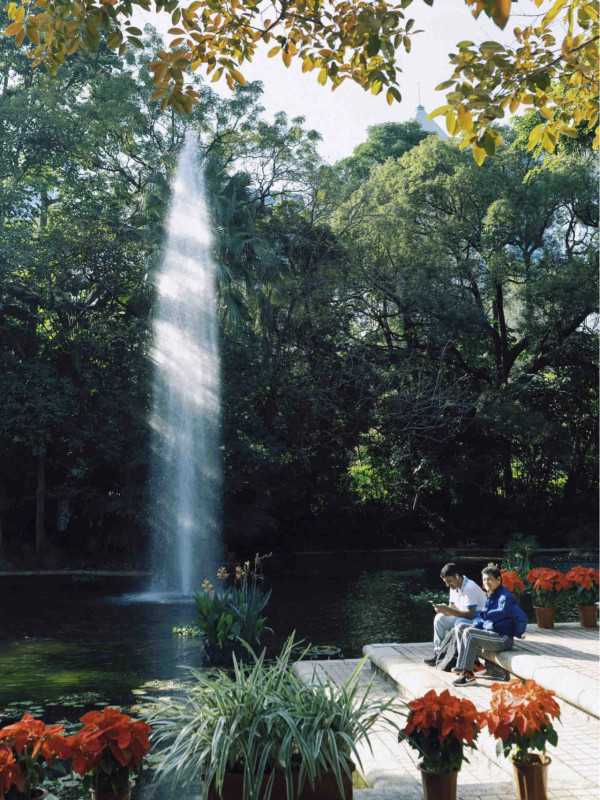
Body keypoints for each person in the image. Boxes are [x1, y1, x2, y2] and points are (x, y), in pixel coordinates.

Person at [452, 565, 520, 686]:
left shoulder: (504, 597)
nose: (486, 582)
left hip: (503, 638)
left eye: (489, 579)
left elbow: (516, 617)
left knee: (470, 633)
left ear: (498, 580)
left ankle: (468, 675)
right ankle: (471, 665)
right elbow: (486, 617)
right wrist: (478, 625)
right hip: (494, 634)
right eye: (484, 579)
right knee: (462, 626)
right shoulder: (492, 594)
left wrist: (518, 632)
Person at [423, 562, 486, 666]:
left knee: (459, 622)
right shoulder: (454, 586)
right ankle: (438, 654)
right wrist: (444, 609)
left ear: (457, 576)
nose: (447, 584)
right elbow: (453, 608)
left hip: (479, 618)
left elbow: (470, 615)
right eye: (445, 582)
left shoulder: (469, 587)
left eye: (449, 581)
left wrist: (448, 610)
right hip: (464, 615)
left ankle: (463, 660)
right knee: (439, 618)